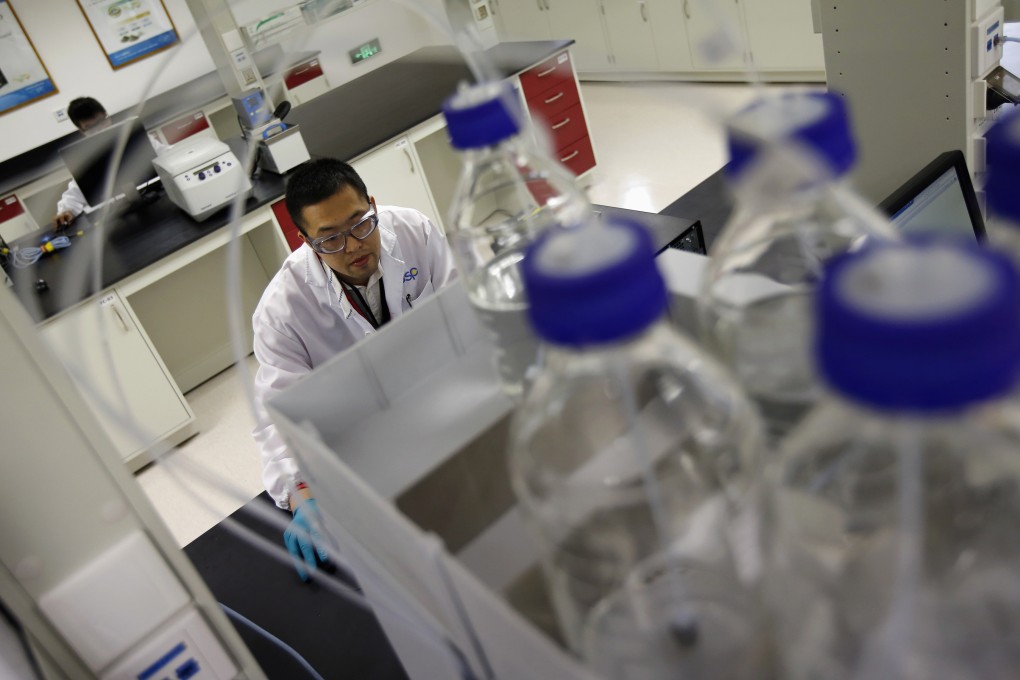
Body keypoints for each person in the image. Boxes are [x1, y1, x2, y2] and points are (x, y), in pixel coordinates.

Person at [251, 158, 457, 580]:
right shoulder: (282, 310)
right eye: (329, 239)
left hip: (441, 408)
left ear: (373, 205)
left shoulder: (414, 232)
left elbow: (462, 311)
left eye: (361, 224)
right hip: (361, 443)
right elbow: (276, 420)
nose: (352, 247)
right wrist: (301, 495)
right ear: (304, 240)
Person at [53, 97, 167, 227]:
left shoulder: (134, 138)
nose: (99, 130)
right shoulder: (86, 160)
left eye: (101, 122)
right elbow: (74, 194)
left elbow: (167, 155)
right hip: (119, 222)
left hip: (158, 201)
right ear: (82, 131)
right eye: (90, 127)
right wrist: (65, 211)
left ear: (108, 118)